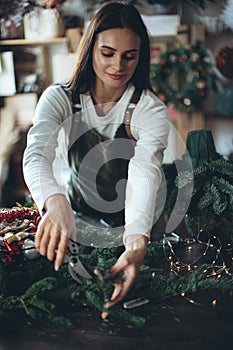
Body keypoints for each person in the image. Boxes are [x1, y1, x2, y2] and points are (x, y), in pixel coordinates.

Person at [23, 2, 170, 314]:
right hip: (78, 217)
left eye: (130, 56)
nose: (118, 65)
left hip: (135, 223)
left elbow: (145, 175)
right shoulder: (60, 99)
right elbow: (36, 154)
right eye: (108, 53)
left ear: (140, 56)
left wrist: (136, 243)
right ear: (90, 49)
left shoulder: (149, 110)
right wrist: (53, 199)